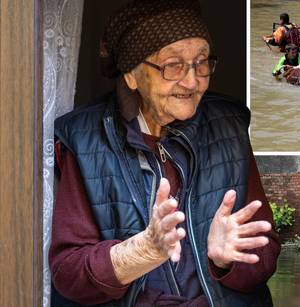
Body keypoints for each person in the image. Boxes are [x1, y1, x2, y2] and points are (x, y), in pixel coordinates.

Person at [49, 1, 280, 306]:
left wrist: (227, 260)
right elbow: (68, 273)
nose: (192, 80)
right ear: (132, 75)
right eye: (173, 65)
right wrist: (141, 251)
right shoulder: (83, 137)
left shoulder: (229, 126)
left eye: (201, 62)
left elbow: (265, 251)